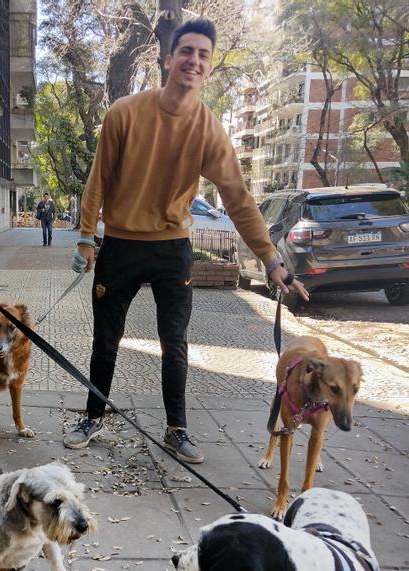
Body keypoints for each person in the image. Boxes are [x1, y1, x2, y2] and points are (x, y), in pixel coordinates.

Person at [63, 19, 308, 463]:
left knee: (174, 341)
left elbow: (238, 199)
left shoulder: (209, 129)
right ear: (168, 59)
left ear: (209, 68)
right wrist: (85, 238)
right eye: (187, 51)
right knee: (106, 338)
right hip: (119, 243)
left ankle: (177, 428)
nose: (194, 60)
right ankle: (93, 416)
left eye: (203, 55)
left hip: (172, 247)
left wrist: (271, 259)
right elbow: (97, 181)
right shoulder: (124, 112)